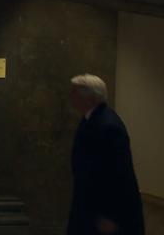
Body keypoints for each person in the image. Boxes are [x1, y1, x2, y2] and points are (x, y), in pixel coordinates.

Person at [68, 74, 144, 235]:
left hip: (105, 212)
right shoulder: (92, 119)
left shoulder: (108, 127)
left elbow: (119, 175)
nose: (70, 96)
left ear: (90, 98)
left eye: (74, 92)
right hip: (92, 206)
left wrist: (110, 215)